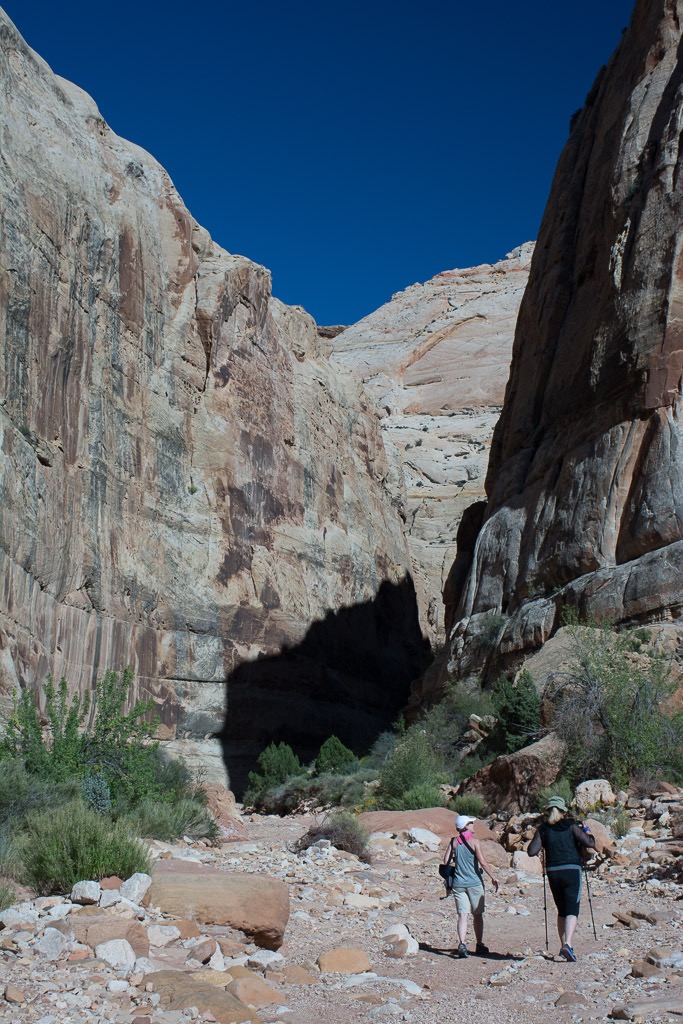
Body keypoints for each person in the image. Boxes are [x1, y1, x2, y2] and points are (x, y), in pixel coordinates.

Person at [527, 795, 596, 962]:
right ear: (563, 811)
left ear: (548, 811)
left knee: (561, 910)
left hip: (553, 871)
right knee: (572, 908)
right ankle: (568, 944)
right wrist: (587, 831)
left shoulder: (543, 829)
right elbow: (589, 843)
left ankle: (562, 946)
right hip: (572, 869)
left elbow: (531, 851)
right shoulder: (572, 826)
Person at [443, 813, 499, 958]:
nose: (473, 825)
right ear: (465, 826)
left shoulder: (453, 842)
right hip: (474, 883)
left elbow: (445, 860)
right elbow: (483, 862)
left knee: (462, 915)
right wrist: (493, 877)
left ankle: (462, 943)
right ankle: (479, 944)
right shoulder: (475, 842)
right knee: (477, 915)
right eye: (471, 823)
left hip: (458, 883)